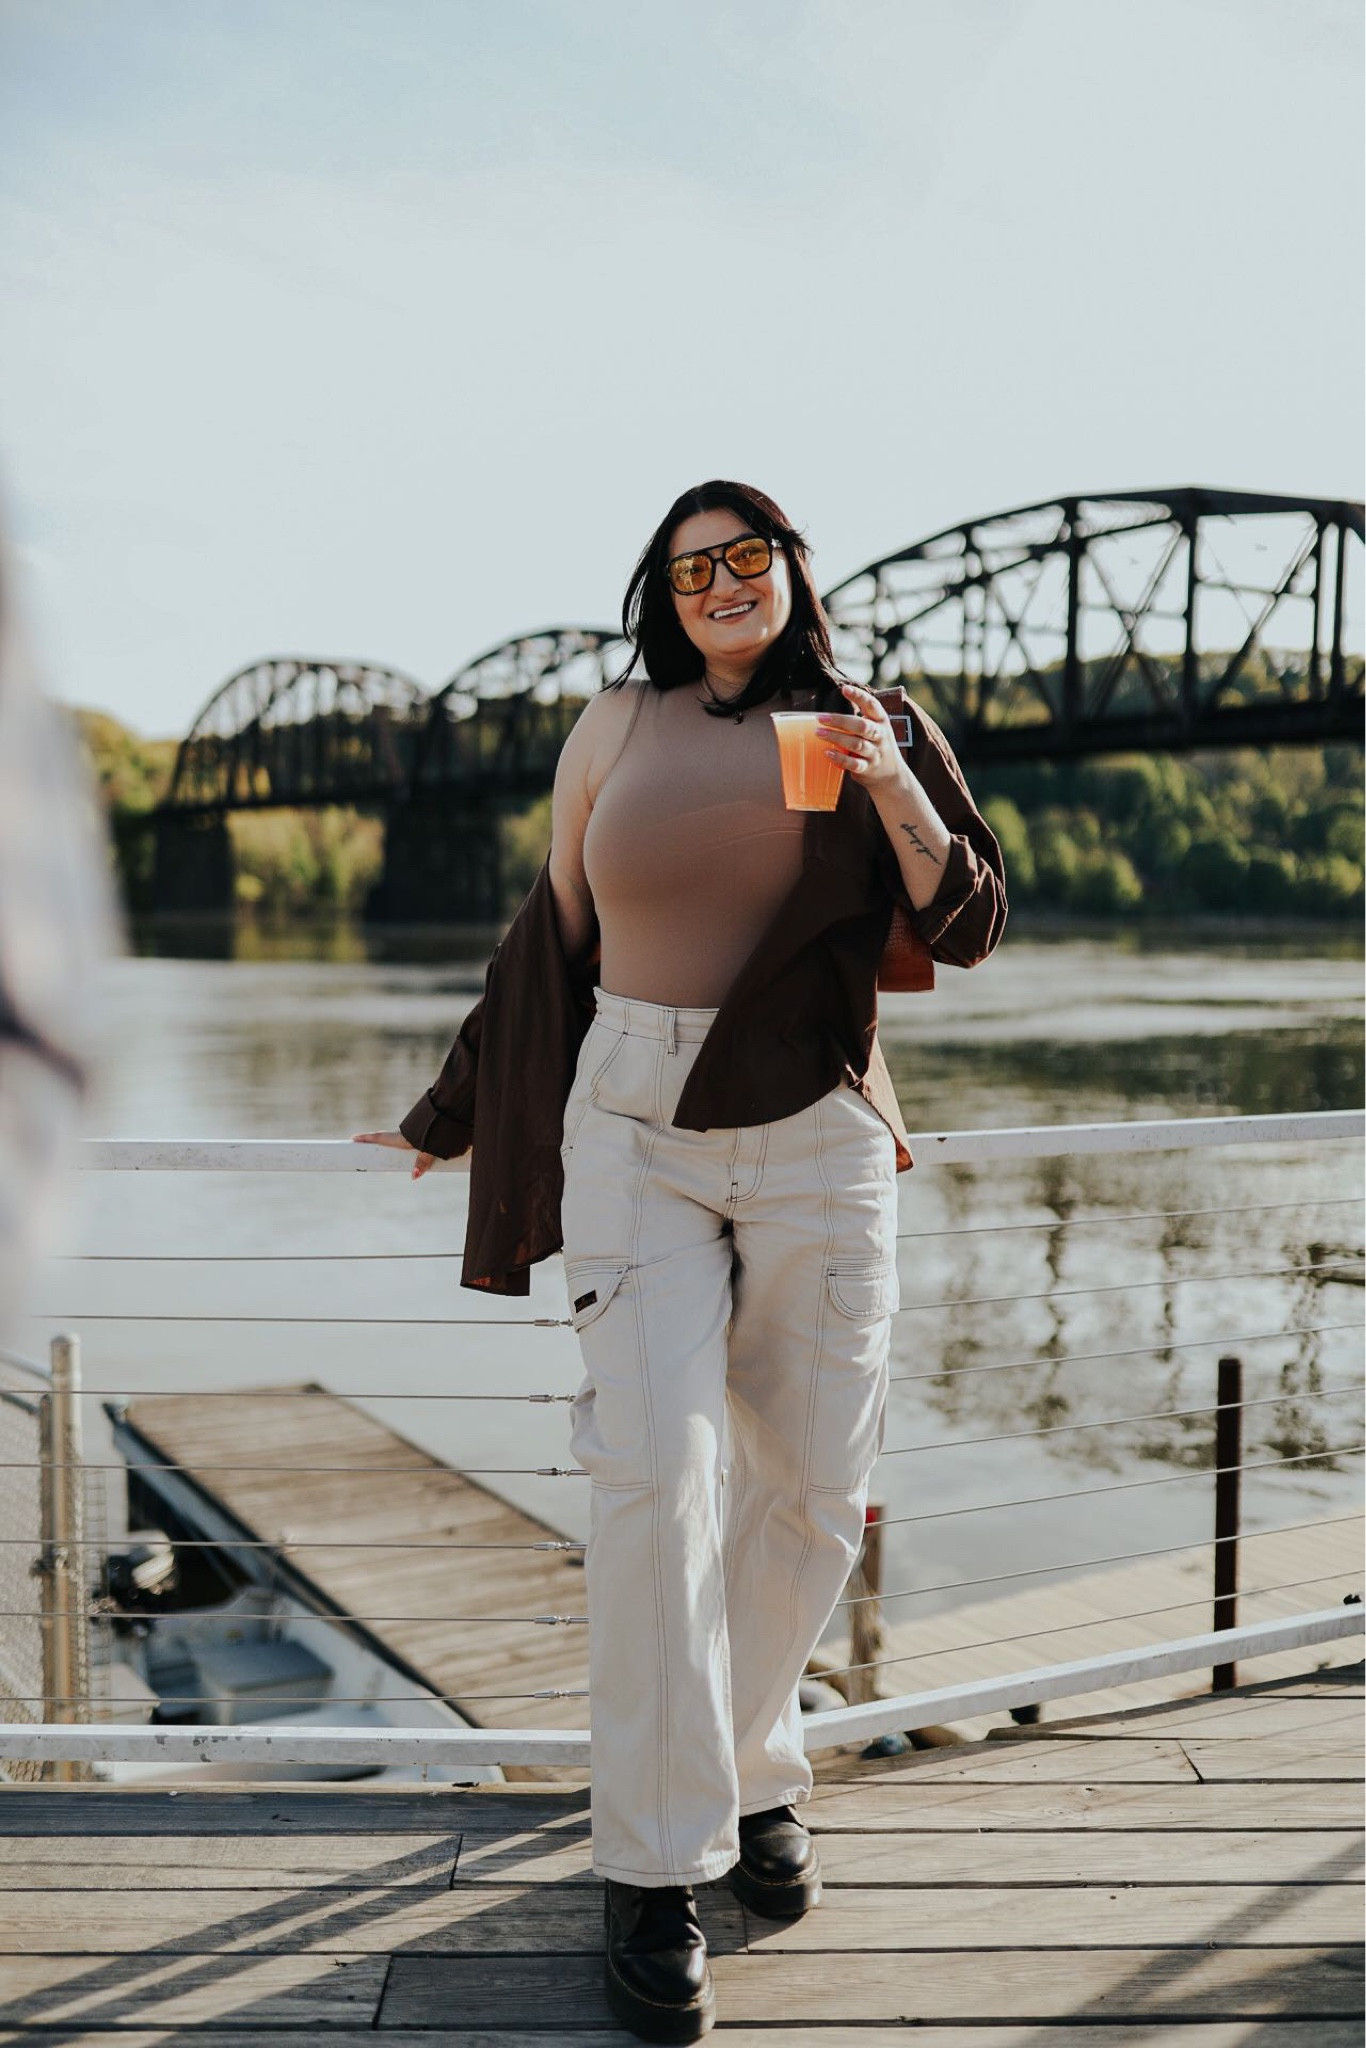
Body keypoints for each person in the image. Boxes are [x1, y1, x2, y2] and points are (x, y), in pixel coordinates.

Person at [355, 479, 1006, 2042]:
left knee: (802, 1489)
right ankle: (650, 1866)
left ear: (791, 570)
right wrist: (456, 1106)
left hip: (816, 1127)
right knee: (656, 1477)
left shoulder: (872, 719)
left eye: (747, 556)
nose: (720, 582)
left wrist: (888, 777)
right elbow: (551, 936)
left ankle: (757, 1771)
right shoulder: (614, 726)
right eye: (689, 565)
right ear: (663, 590)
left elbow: (968, 922)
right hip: (633, 1122)